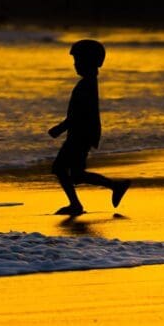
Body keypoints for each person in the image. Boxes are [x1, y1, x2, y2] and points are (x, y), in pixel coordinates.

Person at [48, 39, 130, 215]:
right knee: (73, 173)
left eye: (77, 60)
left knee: (61, 169)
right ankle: (109, 188)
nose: (75, 65)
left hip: (80, 135)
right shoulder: (88, 83)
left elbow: (78, 114)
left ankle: (80, 202)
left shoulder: (86, 85)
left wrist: (59, 129)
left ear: (88, 62)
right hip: (82, 134)